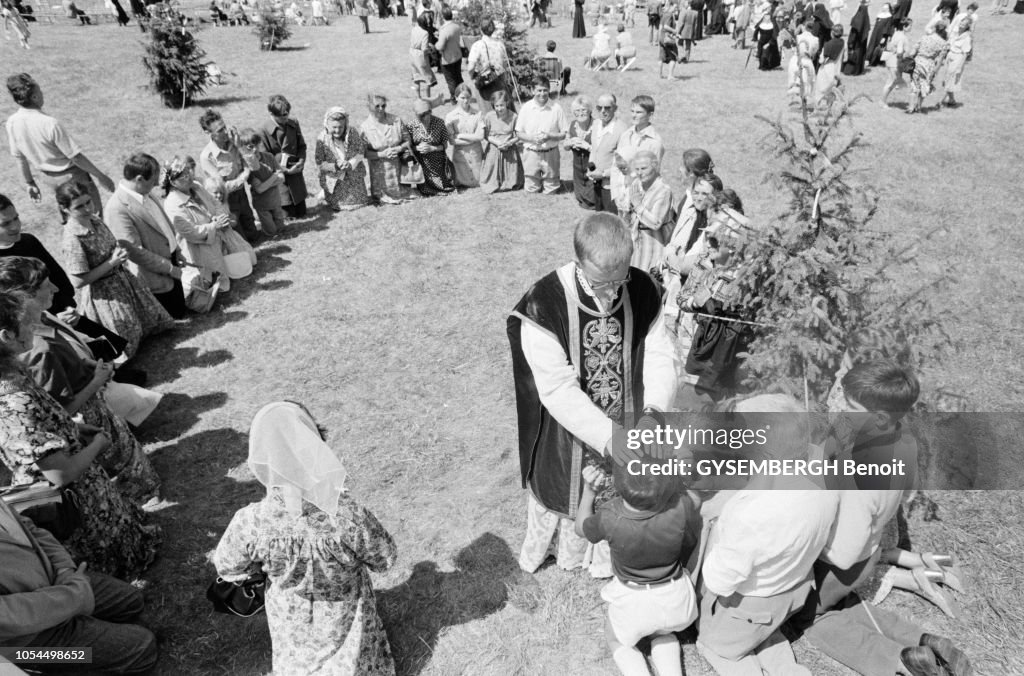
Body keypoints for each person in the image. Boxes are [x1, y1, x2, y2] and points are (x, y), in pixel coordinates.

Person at [507, 213, 679, 575]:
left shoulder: (642, 288)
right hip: (568, 432)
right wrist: (608, 438)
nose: (614, 293)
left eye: (621, 280)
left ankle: (610, 551)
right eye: (603, 283)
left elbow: (660, 353)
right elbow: (556, 389)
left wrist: (653, 410)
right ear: (580, 262)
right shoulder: (544, 303)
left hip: (631, 415)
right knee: (567, 485)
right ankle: (566, 552)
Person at [213, 401, 398, 675]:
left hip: (290, 621)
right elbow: (385, 559)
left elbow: (228, 567)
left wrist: (262, 569)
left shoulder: (250, 522)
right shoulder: (347, 517)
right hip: (347, 619)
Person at [0, 292, 160, 579]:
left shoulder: (13, 374)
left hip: (85, 486)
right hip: (72, 498)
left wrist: (72, 429)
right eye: (25, 324)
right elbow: (60, 474)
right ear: (7, 335)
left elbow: (46, 420)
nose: (32, 328)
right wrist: (97, 444)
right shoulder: (12, 403)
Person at [697, 394, 839, 676]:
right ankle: (788, 669)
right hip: (791, 591)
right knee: (761, 632)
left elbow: (720, 581)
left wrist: (714, 533)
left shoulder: (750, 514)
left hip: (751, 604)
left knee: (714, 645)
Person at [0, 497, 158, 675]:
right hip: (20, 647)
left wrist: (65, 569)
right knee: (142, 649)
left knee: (132, 601)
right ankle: (40, 665)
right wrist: (72, 596)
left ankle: (84, 630)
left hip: (58, 583)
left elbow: (31, 529)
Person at [575, 463, 700, 676]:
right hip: (677, 601)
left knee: (615, 638)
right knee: (663, 634)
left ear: (617, 486)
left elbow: (580, 528)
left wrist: (588, 492)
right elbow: (696, 501)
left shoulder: (609, 516)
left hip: (634, 603)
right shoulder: (680, 505)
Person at [56, 182, 172, 360]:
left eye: (89, 202)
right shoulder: (72, 238)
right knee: (126, 344)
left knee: (153, 324)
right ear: (65, 209)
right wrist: (111, 262)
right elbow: (78, 281)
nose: (87, 208)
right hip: (105, 293)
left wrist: (119, 255)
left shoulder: (95, 220)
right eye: (79, 206)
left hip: (124, 281)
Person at [5, 74, 115, 221]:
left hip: (50, 180)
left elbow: (20, 157)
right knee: (92, 216)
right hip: (73, 177)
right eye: (40, 91)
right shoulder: (49, 123)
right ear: (35, 97)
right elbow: (75, 157)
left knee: (71, 217)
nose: (42, 94)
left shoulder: (12, 123)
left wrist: (29, 183)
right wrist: (101, 176)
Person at [104, 153, 188, 320]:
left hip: (169, 263)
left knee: (181, 311)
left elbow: (162, 223)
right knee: (174, 318)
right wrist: (170, 269)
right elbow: (135, 251)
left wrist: (176, 249)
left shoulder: (146, 193)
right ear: (139, 179)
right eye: (153, 180)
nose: (157, 183)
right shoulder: (117, 209)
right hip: (156, 277)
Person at [162, 156, 237, 292]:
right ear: (173, 183)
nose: (189, 177)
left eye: (188, 172)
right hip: (199, 250)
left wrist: (218, 217)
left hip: (217, 240)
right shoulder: (172, 204)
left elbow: (215, 202)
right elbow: (191, 233)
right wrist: (215, 226)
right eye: (183, 176)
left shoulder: (196, 186)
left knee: (229, 269)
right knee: (211, 282)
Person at [199, 109, 259, 243]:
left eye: (224, 127)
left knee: (254, 236)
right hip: (227, 202)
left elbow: (255, 166)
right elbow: (221, 187)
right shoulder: (207, 157)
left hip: (242, 196)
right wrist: (243, 177)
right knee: (241, 240)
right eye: (220, 130)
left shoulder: (235, 142)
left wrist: (240, 147)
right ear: (208, 133)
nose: (225, 132)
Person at [622, 151, 676, 277]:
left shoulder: (663, 190)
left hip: (656, 245)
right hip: (638, 244)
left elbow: (656, 222)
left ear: (655, 167)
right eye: (637, 169)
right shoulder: (637, 184)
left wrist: (637, 205)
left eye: (644, 168)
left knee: (652, 280)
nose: (640, 172)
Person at [611, 95, 664, 214]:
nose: (634, 115)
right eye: (632, 111)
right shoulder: (626, 135)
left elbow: (653, 176)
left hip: (642, 200)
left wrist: (639, 202)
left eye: (639, 112)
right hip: (622, 196)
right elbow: (616, 165)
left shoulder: (655, 142)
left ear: (650, 115)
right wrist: (615, 194)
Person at [515, 77, 568, 195]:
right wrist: (532, 138)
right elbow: (518, 133)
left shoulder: (556, 108)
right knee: (531, 190)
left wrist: (550, 136)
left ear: (549, 90)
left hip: (551, 153)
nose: (542, 93)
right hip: (531, 153)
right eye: (539, 90)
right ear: (533, 91)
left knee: (551, 191)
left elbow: (564, 134)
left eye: (545, 90)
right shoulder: (526, 108)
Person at [259, 95, 309, 219]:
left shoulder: (293, 123)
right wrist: (283, 170)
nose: (286, 117)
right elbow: (264, 158)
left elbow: (302, 146)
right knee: (287, 215)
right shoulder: (263, 131)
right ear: (271, 113)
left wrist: (301, 162)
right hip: (280, 178)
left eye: (287, 114)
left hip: (295, 173)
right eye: (281, 116)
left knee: (302, 212)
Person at [361, 93, 415, 204]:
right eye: (377, 106)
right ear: (369, 106)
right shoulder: (365, 127)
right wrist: (382, 154)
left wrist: (399, 148)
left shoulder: (396, 120)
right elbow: (364, 153)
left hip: (399, 168)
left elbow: (408, 141)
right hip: (379, 173)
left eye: (383, 106)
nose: (381, 109)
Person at [314, 107, 370, 211]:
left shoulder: (352, 132)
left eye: (341, 127)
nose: (337, 130)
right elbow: (320, 163)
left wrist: (351, 164)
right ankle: (327, 194)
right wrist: (334, 166)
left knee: (359, 202)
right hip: (335, 177)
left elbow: (360, 152)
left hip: (354, 174)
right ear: (327, 124)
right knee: (338, 204)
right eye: (334, 127)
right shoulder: (322, 138)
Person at [239, 130, 286, 236]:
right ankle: (261, 223)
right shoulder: (249, 165)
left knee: (281, 228)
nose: (255, 149)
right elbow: (259, 189)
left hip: (276, 199)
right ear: (243, 148)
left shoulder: (268, 156)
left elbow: (282, 178)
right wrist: (274, 176)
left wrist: (265, 184)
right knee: (272, 232)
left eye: (256, 145)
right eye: (250, 147)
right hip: (262, 204)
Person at [586, 93, 628, 213]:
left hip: (612, 188)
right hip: (596, 183)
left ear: (615, 108)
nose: (603, 111)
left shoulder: (622, 130)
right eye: (599, 108)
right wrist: (591, 168)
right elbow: (594, 149)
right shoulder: (596, 124)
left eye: (607, 108)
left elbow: (623, 165)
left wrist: (604, 174)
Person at [408, 100, 456, 196]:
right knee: (424, 188)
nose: (424, 118)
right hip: (421, 162)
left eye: (426, 114)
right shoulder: (411, 126)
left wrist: (432, 148)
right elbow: (408, 147)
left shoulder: (439, 123)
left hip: (438, 161)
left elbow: (445, 145)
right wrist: (417, 148)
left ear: (430, 111)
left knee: (444, 187)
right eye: (420, 116)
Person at [480, 91, 522, 194]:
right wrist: (497, 142)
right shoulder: (489, 116)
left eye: (502, 105)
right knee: (490, 178)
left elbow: (518, 136)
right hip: (494, 148)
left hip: (509, 149)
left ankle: (510, 181)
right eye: (496, 106)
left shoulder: (514, 117)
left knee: (513, 180)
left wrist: (510, 142)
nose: (499, 109)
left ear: (507, 103)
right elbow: (486, 135)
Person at [445, 85, 485, 189]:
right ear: (456, 97)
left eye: (468, 97)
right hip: (460, 156)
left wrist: (460, 135)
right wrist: (471, 139)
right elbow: (452, 141)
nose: (466, 100)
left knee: (479, 181)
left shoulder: (478, 114)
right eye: (462, 98)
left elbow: (480, 136)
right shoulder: (450, 116)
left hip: (476, 154)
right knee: (461, 181)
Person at [467, 19, 510, 111]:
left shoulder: (477, 45)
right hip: (499, 80)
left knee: (488, 112)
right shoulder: (500, 44)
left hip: (484, 83)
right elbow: (505, 65)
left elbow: (470, 67)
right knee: (501, 110)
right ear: (493, 30)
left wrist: (472, 77)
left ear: (481, 30)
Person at [907, 19, 949, 113]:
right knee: (924, 86)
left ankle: (910, 107)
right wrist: (935, 71)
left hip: (917, 62)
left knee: (914, 84)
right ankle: (918, 107)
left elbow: (913, 52)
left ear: (935, 28)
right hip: (929, 65)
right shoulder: (944, 44)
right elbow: (940, 60)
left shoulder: (924, 37)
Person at [565, 96, 596, 209]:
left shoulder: (597, 125)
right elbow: (565, 146)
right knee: (580, 197)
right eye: (577, 110)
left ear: (590, 110)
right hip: (577, 167)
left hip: (592, 165)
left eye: (584, 110)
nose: (580, 113)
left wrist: (587, 146)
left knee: (592, 199)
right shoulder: (573, 124)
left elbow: (602, 150)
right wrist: (570, 143)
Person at [941, 8, 974, 107]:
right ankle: (952, 100)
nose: (961, 25)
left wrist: (960, 67)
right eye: (961, 23)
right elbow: (949, 43)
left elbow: (965, 54)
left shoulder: (967, 38)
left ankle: (942, 101)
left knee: (950, 79)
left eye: (963, 25)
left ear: (967, 27)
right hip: (950, 55)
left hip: (957, 58)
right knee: (946, 78)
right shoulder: (955, 32)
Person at [435, 7, 465, 104]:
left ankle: (454, 98)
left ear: (443, 16)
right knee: (458, 77)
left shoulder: (444, 30)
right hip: (457, 55)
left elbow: (440, 47)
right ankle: (463, 95)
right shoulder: (456, 26)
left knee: (451, 80)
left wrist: (436, 41)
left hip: (448, 59)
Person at [880, 17, 912, 106]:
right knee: (891, 83)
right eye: (910, 26)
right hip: (895, 62)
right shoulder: (902, 37)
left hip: (891, 61)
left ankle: (883, 101)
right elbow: (899, 51)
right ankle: (882, 102)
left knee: (892, 82)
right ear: (905, 27)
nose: (911, 28)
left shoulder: (896, 33)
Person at [789, 18, 821, 101]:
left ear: (804, 27)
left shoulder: (798, 37)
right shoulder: (815, 39)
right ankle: (805, 100)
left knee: (794, 79)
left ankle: (794, 100)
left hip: (795, 60)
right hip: (807, 60)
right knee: (808, 82)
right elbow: (814, 52)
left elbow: (793, 49)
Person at [815, 25, 846, 106]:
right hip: (837, 68)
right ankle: (831, 106)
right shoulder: (843, 43)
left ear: (832, 33)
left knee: (821, 88)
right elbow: (845, 58)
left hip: (827, 68)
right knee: (834, 89)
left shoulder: (827, 45)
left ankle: (819, 106)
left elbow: (822, 60)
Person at [410, 13, 437, 100]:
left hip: (412, 53)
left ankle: (419, 97)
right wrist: (432, 49)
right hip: (420, 56)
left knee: (416, 78)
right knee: (427, 79)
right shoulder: (425, 33)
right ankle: (428, 98)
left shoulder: (414, 29)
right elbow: (424, 49)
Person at [841, 0, 871, 74]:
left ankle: (850, 71)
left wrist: (850, 44)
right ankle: (858, 70)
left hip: (855, 44)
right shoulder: (865, 19)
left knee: (853, 56)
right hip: (861, 44)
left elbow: (853, 34)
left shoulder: (857, 20)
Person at [865, 2, 895, 66]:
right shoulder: (880, 15)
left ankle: (875, 61)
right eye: (884, 7)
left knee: (878, 48)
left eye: (886, 8)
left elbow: (887, 27)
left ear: (889, 9)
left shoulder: (889, 17)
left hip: (882, 35)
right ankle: (868, 58)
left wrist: (884, 37)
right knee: (872, 46)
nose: (885, 9)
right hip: (875, 34)